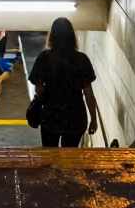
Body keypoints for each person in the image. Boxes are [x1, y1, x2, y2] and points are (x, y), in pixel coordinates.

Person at [27, 17, 99, 148]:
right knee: (70, 157)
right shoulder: (82, 59)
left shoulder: (44, 58)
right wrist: (94, 119)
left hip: (51, 117)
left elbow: (38, 89)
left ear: (52, 37)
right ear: (72, 37)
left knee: (50, 156)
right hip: (75, 118)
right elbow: (89, 94)